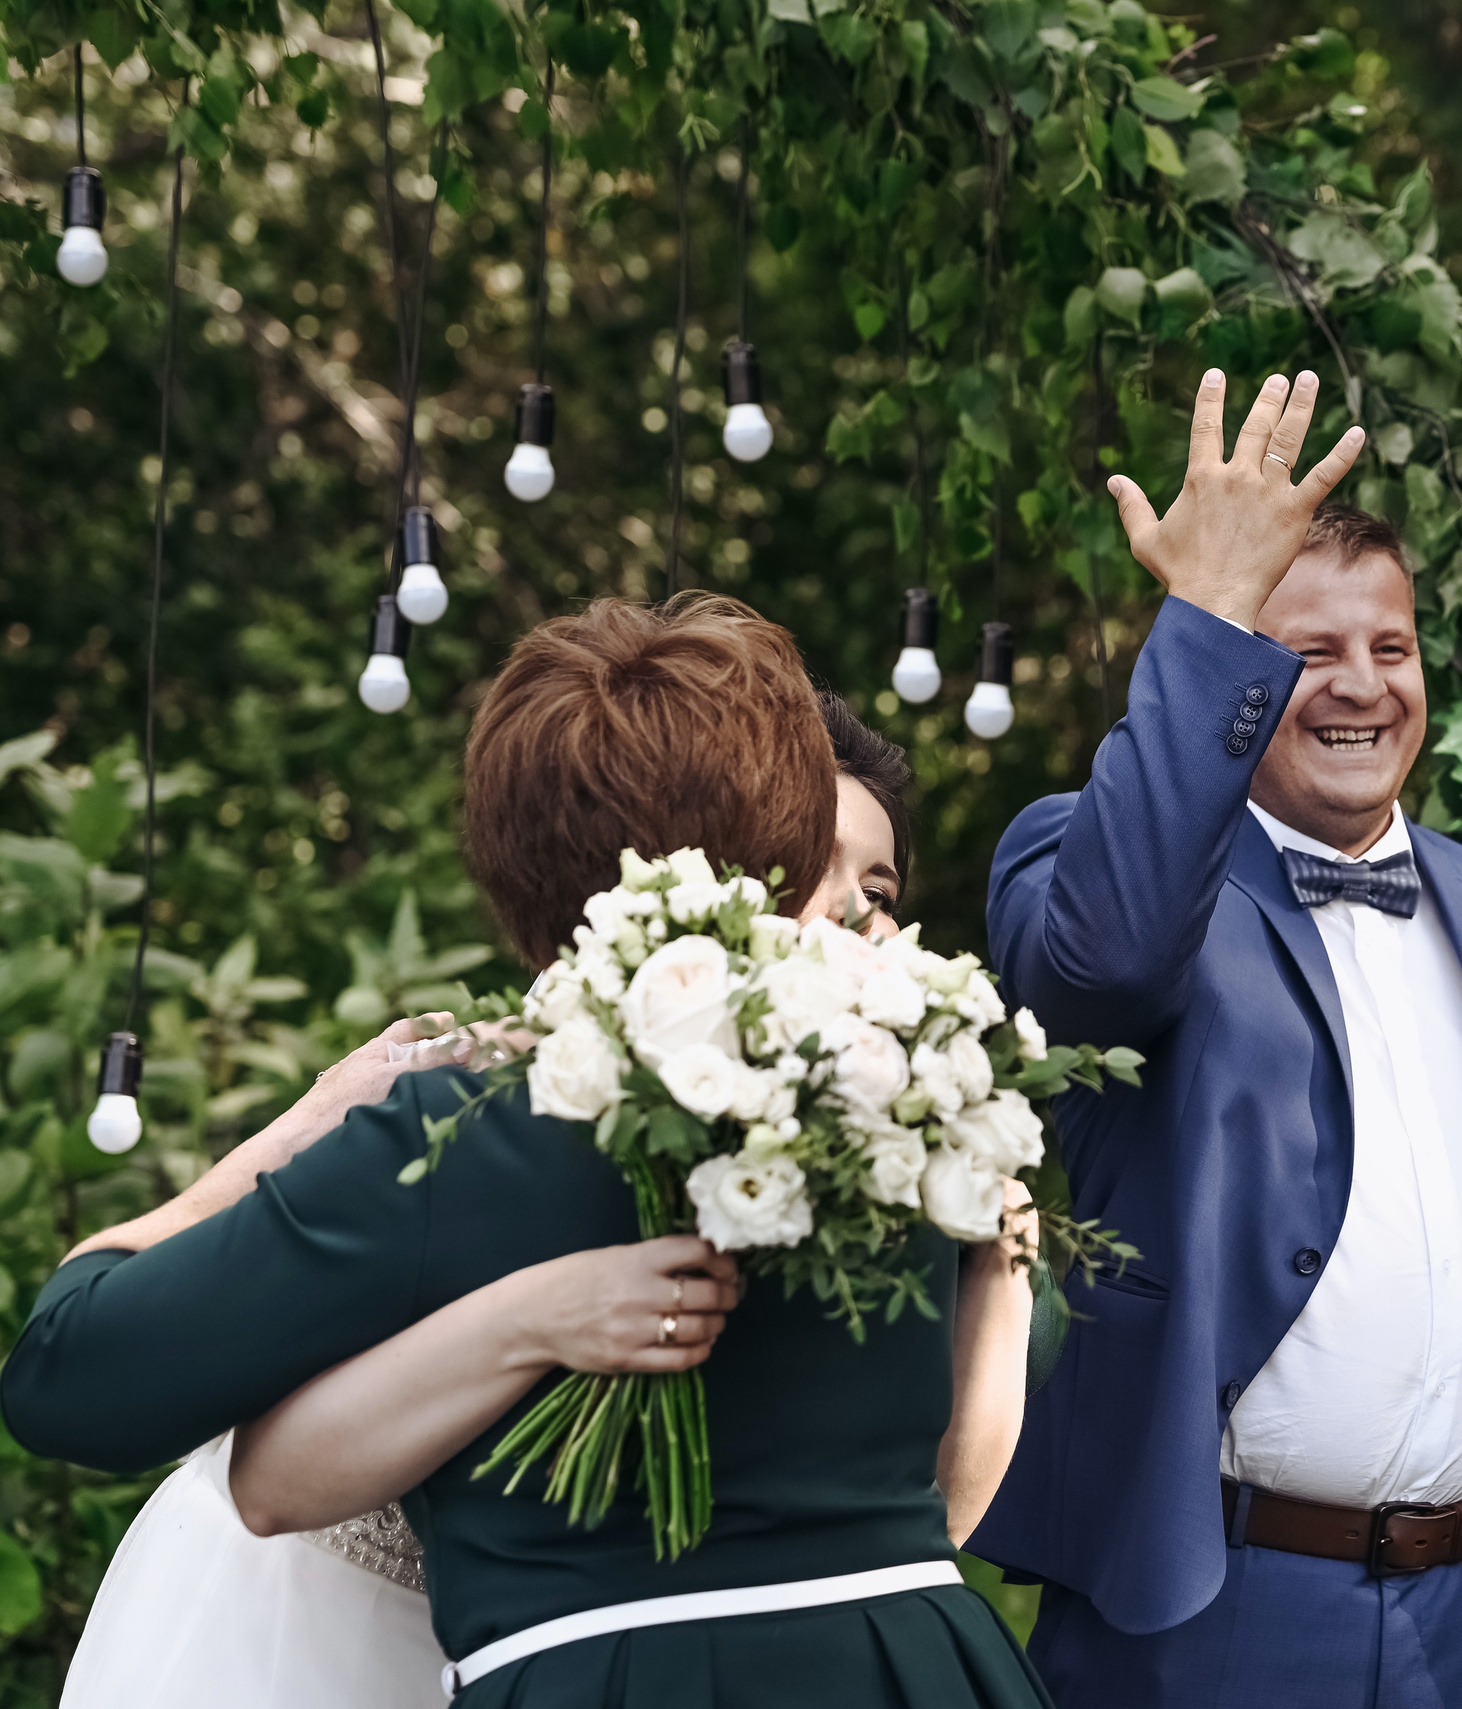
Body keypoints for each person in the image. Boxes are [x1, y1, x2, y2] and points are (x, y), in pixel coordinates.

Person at [4, 593, 1051, 1708]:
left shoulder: (460, 1138)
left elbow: (71, 1376)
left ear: (510, 867)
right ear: (788, 847)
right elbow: (943, 1498)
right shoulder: (905, 1101)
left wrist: (303, 1125)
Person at [972, 369, 1462, 1706]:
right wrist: (1203, 614)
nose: (1360, 688)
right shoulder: (1085, 864)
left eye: (1392, 647)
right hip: (1219, 1610)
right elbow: (1108, 962)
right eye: (1306, 653)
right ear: (1239, 668)